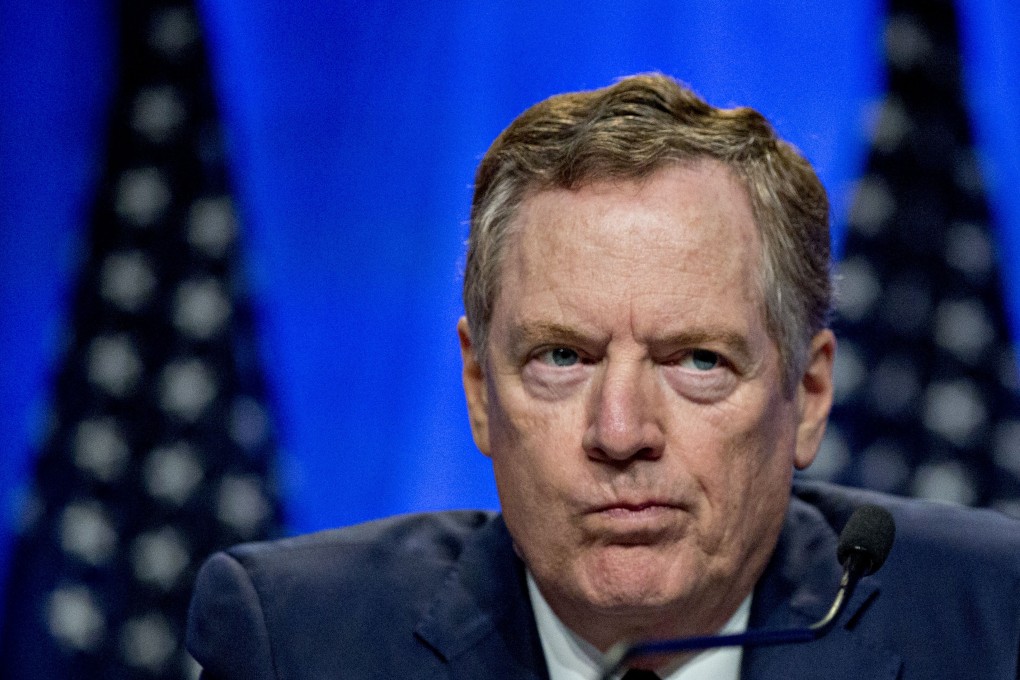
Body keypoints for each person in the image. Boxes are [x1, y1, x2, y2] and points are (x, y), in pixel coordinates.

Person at [186, 73, 1020, 679]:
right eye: (562, 358)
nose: (620, 433)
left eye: (698, 360)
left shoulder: (991, 623)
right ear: (479, 390)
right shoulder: (294, 645)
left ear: (806, 396)